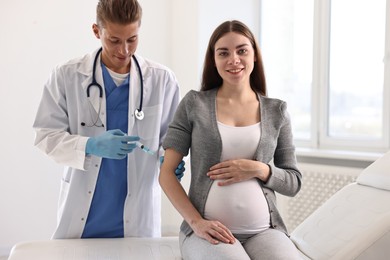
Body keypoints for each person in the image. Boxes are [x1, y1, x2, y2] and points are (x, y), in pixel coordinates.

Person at [33, 0, 185, 239]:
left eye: (132, 39)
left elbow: (171, 137)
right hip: (83, 216)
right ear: (96, 31)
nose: (124, 50)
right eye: (114, 40)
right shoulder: (67, 75)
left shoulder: (162, 80)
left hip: (138, 218)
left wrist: (169, 159)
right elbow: (45, 136)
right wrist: (90, 145)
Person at [159, 20, 302, 259]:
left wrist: (258, 169)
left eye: (242, 50)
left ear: (254, 55)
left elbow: (293, 182)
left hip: (265, 231)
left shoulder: (277, 111)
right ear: (213, 60)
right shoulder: (195, 104)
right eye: (223, 53)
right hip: (208, 232)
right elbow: (166, 173)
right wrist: (196, 223)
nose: (233, 59)